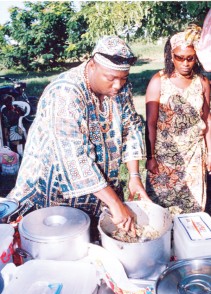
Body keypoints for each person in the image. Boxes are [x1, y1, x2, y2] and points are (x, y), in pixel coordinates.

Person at [7, 35, 151, 235]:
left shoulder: (121, 88)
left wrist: (134, 177)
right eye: (111, 78)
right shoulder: (65, 93)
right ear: (91, 66)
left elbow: (131, 126)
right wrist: (115, 204)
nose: (118, 85)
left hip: (101, 191)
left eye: (124, 77)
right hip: (52, 195)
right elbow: (74, 160)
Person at [145, 25, 211, 213]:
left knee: (193, 206)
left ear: (195, 57)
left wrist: (210, 152)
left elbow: (207, 119)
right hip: (164, 155)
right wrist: (150, 158)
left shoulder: (203, 83)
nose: (185, 63)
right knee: (160, 207)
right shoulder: (158, 81)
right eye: (179, 58)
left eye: (189, 58)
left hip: (194, 156)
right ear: (171, 57)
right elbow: (150, 123)